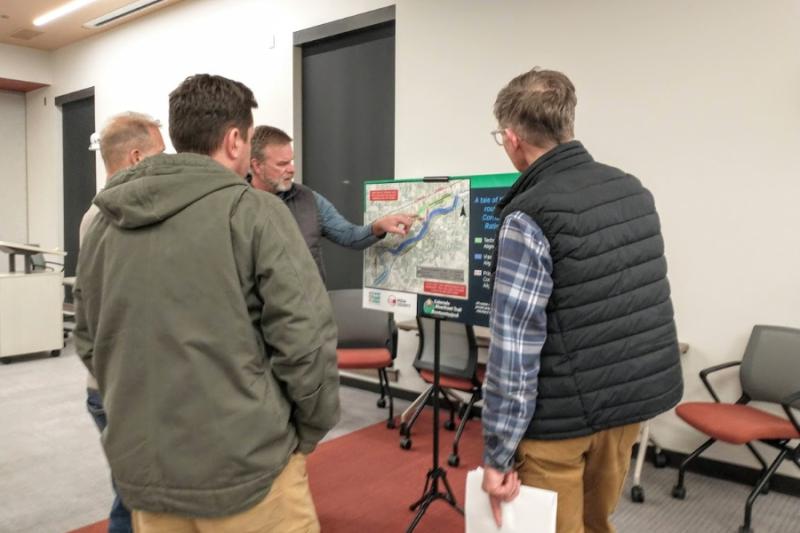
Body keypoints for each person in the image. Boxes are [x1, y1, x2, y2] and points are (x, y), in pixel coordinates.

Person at [73, 74, 340, 533]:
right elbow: (305, 342)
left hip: (148, 472)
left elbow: (89, 340)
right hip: (247, 470)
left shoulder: (103, 221)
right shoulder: (256, 213)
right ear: (236, 140)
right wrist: (308, 430)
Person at [480, 67, 683, 533]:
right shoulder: (632, 189)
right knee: (597, 523)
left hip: (561, 423)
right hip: (627, 406)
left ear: (511, 139)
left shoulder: (527, 215)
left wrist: (497, 454)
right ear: (566, 124)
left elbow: (515, 349)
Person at [79, 111, 165, 533]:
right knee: (136, 499)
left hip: (107, 385)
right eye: (160, 156)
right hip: (125, 389)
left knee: (129, 490)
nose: (169, 166)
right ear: (135, 158)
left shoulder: (94, 215)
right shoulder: (126, 217)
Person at [248, 125, 414, 281]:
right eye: (282, 164)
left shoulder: (309, 199)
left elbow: (350, 236)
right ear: (257, 166)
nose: (292, 169)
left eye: (291, 161)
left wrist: (378, 226)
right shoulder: (236, 203)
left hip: (309, 308)